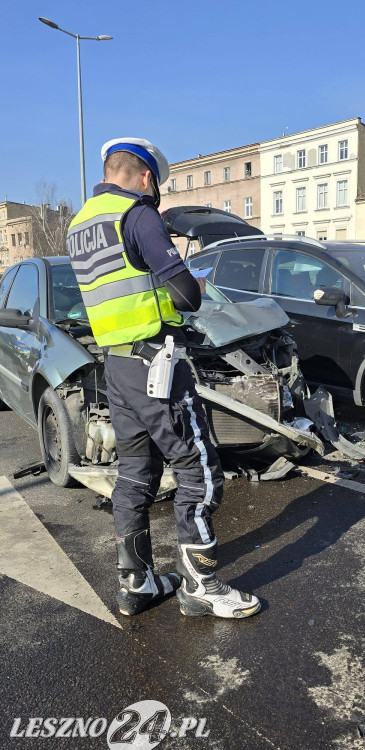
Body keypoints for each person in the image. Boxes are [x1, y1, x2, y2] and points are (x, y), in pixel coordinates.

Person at [67, 137, 260, 618]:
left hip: (116, 364)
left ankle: (137, 585)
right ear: (147, 178)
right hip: (156, 364)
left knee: (135, 474)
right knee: (197, 470)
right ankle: (201, 585)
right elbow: (188, 296)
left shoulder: (79, 224)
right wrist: (187, 275)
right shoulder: (138, 214)